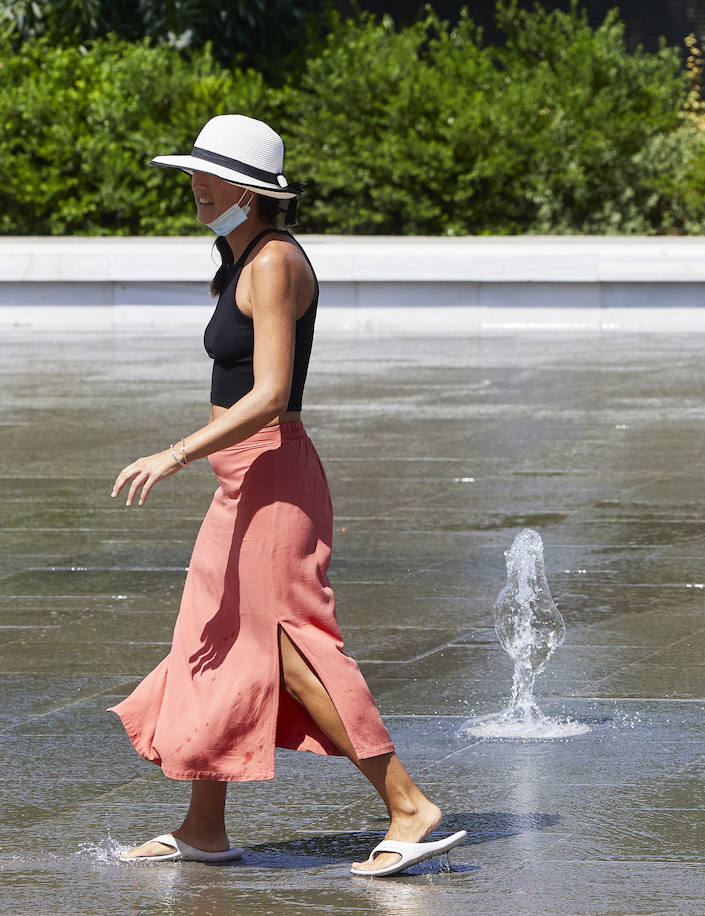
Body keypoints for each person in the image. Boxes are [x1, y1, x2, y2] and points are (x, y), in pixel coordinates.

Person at [109, 114, 464, 876]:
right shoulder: (238, 258)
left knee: (287, 645)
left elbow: (270, 392)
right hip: (242, 479)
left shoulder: (272, 263)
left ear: (253, 190)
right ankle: (204, 827)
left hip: (273, 476)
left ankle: (408, 803)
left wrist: (173, 453)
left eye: (213, 176)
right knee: (209, 636)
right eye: (195, 174)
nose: (197, 187)